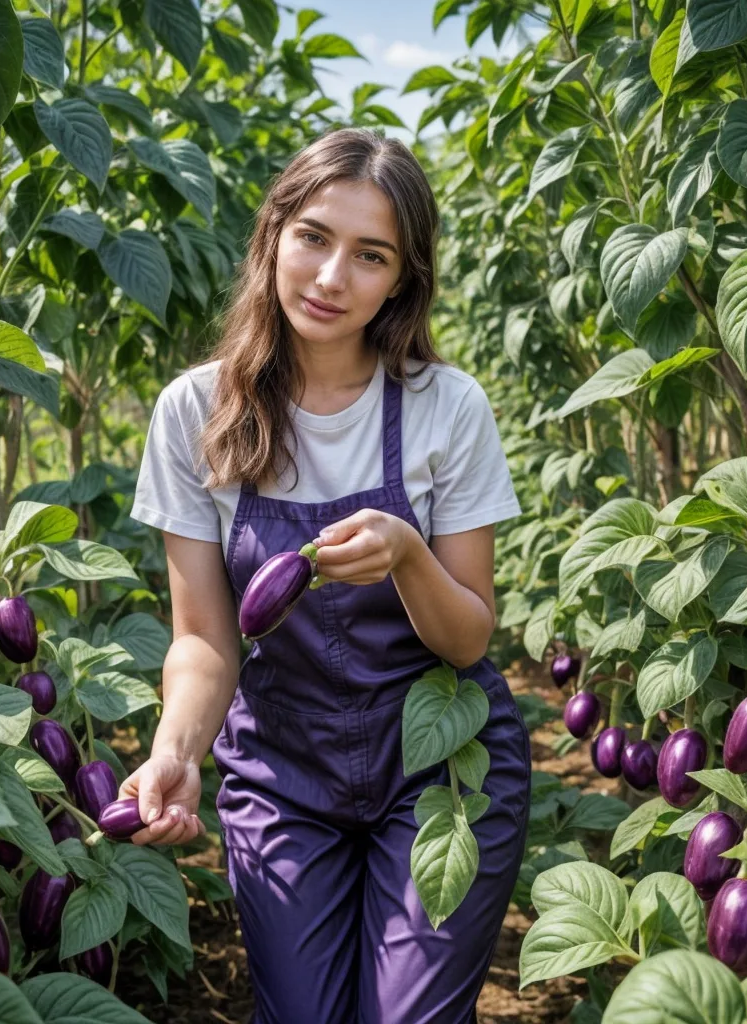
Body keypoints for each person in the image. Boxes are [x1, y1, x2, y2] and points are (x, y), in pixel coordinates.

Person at [126, 126, 531, 1023]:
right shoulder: (197, 410)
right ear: (273, 234)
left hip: (441, 766)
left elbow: (468, 636)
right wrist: (175, 751)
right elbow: (203, 639)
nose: (331, 277)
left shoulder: (445, 407)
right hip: (281, 769)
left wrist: (409, 554)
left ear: (402, 279)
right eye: (313, 236)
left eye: (371, 255)